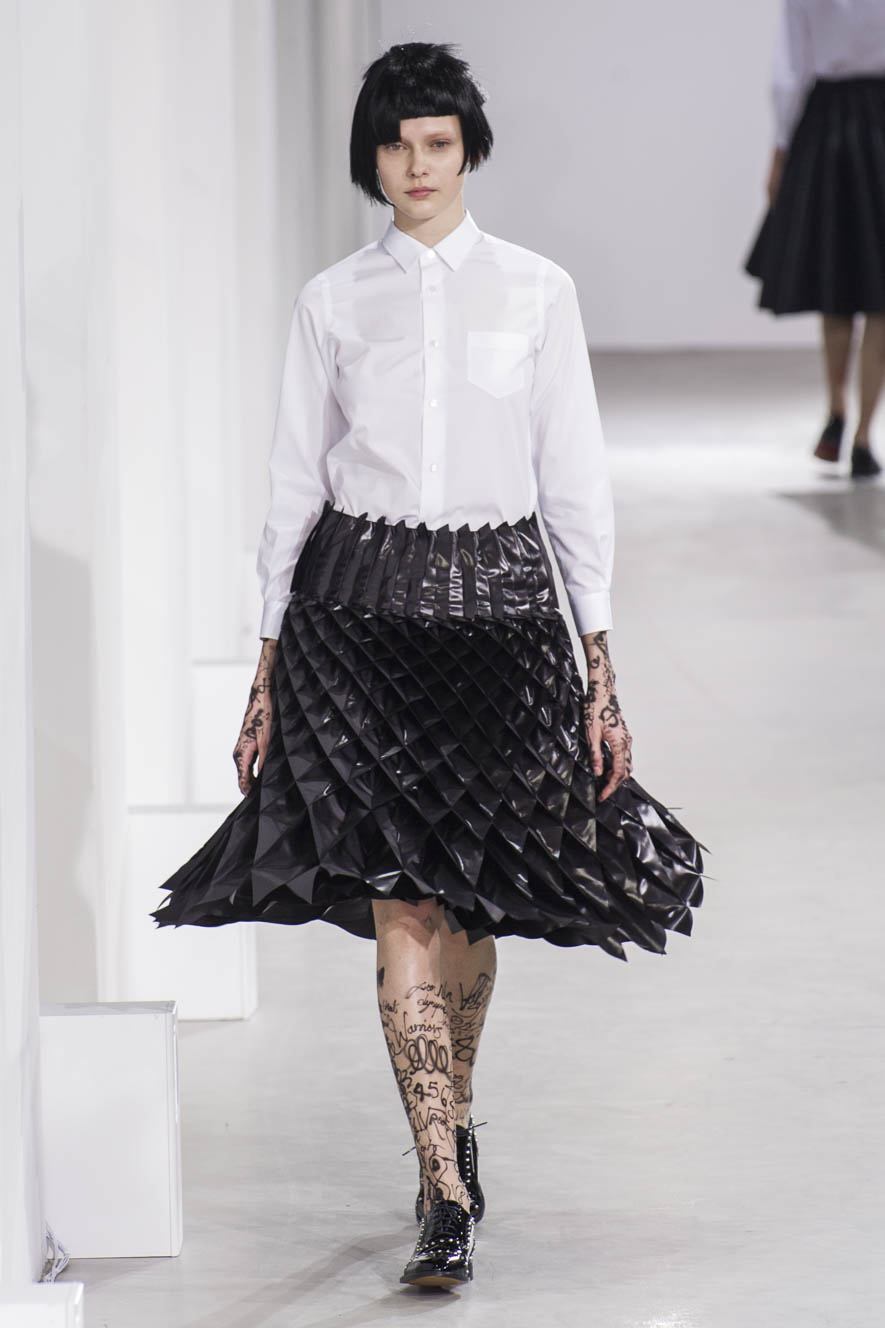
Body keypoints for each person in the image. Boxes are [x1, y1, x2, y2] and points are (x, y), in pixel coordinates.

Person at [151, 41, 705, 1291]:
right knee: (401, 896)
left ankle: (448, 1116)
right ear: (374, 156)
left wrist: (601, 667)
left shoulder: (538, 292)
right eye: (397, 144)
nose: (417, 164)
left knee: (468, 902)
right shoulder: (333, 302)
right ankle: (445, 1189)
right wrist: (265, 663)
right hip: (358, 622)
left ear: (468, 150)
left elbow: (574, 481)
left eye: (438, 142)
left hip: (502, 623)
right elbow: (294, 482)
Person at [745, 0, 885, 478]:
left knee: (837, 281)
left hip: (828, 124)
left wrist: (780, 149)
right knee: (878, 294)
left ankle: (837, 414)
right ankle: (863, 435)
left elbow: (791, 70)